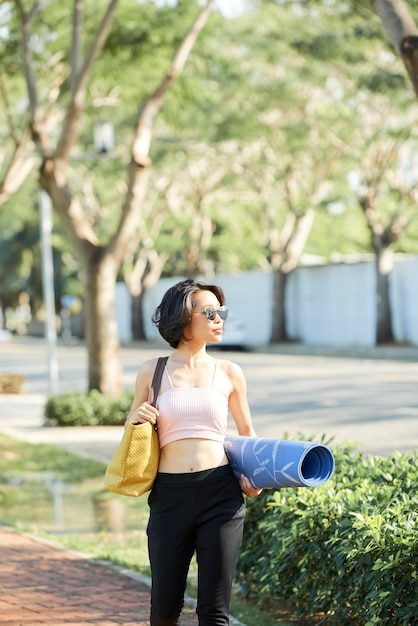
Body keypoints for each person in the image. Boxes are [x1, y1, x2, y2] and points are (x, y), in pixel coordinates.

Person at [125, 278, 262, 626]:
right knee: (165, 608)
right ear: (184, 318)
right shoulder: (152, 371)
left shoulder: (230, 372)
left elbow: (248, 434)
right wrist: (138, 418)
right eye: (211, 312)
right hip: (169, 498)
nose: (220, 319)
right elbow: (130, 434)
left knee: (214, 613)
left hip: (221, 496)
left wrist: (256, 477)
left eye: (222, 311)